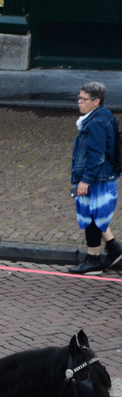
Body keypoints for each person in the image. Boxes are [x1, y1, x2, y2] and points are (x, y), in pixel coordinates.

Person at [68, 82, 120, 275]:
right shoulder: (103, 116)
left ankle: (94, 259)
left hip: (97, 178)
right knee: (96, 214)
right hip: (104, 175)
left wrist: (86, 180)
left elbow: (96, 155)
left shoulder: (97, 122)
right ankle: (114, 248)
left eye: (83, 99)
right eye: (79, 98)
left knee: (90, 217)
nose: (79, 102)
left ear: (96, 101)